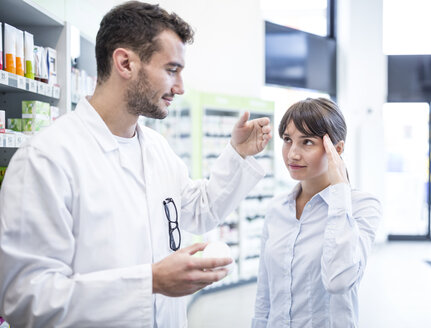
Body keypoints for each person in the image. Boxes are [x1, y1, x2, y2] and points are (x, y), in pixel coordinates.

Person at [0, 1, 272, 327]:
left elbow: (198, 210)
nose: (181, 87)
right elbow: (27, 299)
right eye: (172, 70)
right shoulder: (46, 160)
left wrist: (237, 155)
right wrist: (150, 282)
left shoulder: (156, 148)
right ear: (125, 63)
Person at [252, 98, 381, 328]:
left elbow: (338, 280)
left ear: (337, 149)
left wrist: (339, 190)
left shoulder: (361, 206)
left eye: (307, 142)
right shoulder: (276, 209)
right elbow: (264, 293)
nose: (292, 154)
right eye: (288, 140)